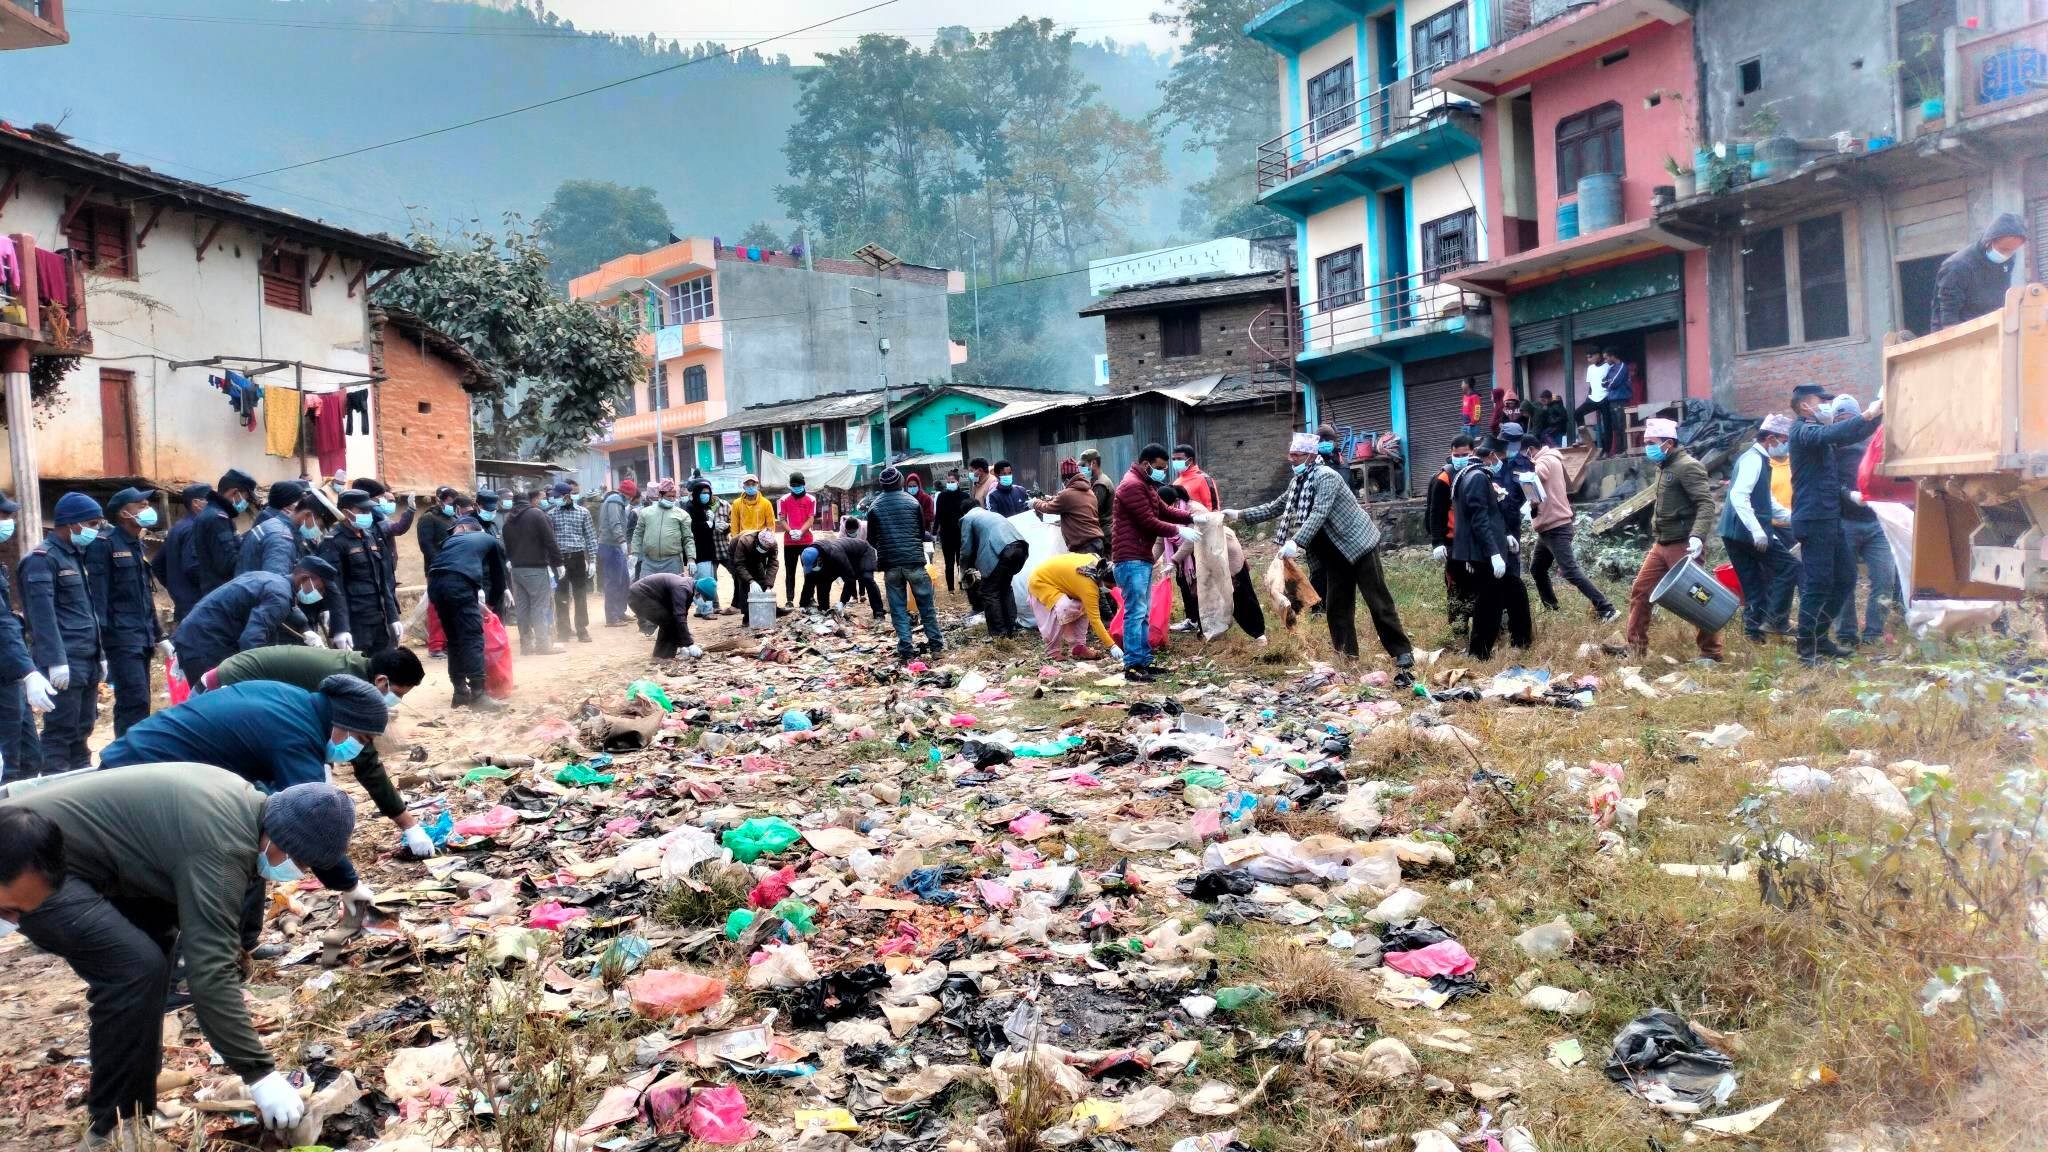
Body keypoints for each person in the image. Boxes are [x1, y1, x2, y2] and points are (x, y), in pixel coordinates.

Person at [0, 770, 366, 1143]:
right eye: (301, 863)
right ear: (283, 841)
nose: (298, 873)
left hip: (83, 858)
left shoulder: (245, 807)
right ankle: (112, 1128)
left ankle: (133, 1110)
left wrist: (349, 884)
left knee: (154, 950)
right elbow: (210, 971)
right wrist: (259, 1074)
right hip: (23, 862)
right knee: (134, 968)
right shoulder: (222, 848)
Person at [99, 672, 427, 855]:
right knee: (230, 846)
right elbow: (311, 821)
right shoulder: (295, 734)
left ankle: (239, 943)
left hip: (144, 758)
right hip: (139, 777)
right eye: (363, 740)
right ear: (343, 722)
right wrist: (349, 886)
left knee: (250, 819)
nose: (359, 749)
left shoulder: (293, 699)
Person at [1237, 431, 1412, 662]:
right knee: (1337, 606)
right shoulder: (1299, 481)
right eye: (1290, 454)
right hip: (1333, 553)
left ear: (1310, 455)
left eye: (1296, 454)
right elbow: (1275, 507)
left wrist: (1296, 541)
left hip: (1358, 545)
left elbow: (1320, 512)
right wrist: (1238, 514)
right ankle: (1346, 655)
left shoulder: (1325, 476)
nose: (1291, 459)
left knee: (1378, 601)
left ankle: (1402, 652)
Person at [1788, 383, 1884, 664]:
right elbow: (1835, 431)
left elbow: (1851, 434)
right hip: (1814, 518)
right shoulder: (1803, 431)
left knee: (1845, 578)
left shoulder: (1821, 435)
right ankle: (1807, 651)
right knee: (1817, 585)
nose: (1827, 405)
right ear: (1806, 406)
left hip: (1830, 519)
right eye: (1823, 400)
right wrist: (1866, 414)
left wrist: (1876, 416)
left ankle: (1819, 638)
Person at [1624, 418, 1722, 662]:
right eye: (1645, 442)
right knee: (1641, 592)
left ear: (1668, 443)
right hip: (1661, 543)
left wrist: (1698, 535)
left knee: (1698, 596)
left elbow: (1705, 503)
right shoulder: (1664, 466)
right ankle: (1636, 651)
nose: (1647, 447)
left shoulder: (1687, 466)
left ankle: (1711, 652)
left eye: (1651, 443)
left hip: (1683, 545)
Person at [19, 493, 105, 773]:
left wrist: (100, 655)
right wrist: (56, 660)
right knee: (61, 733)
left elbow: (87, 611)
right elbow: (42, 617)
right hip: (65, 661)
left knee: (83, 729)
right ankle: (56, 790)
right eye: (92, 523)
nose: (96, 530)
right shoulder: (42, 560)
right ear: (72, 524)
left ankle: (80, 783)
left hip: (86, 659)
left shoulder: (75, 557)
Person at [86, 488, 170, 739]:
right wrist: (98, 647)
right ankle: (129, 756)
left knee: (140, 702)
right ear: (124, 513)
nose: (147, 510)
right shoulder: (104, 545)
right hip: (120, 639)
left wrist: (160, 635)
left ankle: (133, 752)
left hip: (141, 637)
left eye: (147, 504)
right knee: (134, 701)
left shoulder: (135, 544)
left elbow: (144, 598)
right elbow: (98, 599)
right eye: (141, 506)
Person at [1111, 444, 1199, 682]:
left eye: (1164, 468)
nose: (1162, 472)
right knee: (1135, 612)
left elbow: (1165, 511)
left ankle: (1144, 662)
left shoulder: (1147, 485)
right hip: (1130, 558)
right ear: (1145, 464)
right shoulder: (1131, 486)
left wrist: (1193, 517)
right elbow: (1149, 522)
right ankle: (1132, 666)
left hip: (1141, 556)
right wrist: (1180, 529)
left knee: (1144, 612)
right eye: (1159, 468)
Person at [173, 558, 334, 685]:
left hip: (198, 636)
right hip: (206, 644)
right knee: (217, 705)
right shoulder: (280, 595)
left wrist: (305, 628)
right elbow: (251, 641)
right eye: (319, 589)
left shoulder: (273, 580)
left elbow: (287, 608)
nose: (319, 595)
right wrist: (261, 678)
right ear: (305, 578)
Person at [1444, 436, 1530, 659]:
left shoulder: (1469, 475)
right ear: (1491, 456)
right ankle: (1480, 652)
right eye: (1499, 458)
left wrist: (1505, 535)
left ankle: (1520, 640)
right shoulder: (1477, 478)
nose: (1500, 462)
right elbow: (1479, 518)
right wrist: (1493, 553)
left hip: (1485, 546)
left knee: (1512, 589)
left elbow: (1488, 516)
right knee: (1490, 601)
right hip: (1484, 551)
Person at [1719, 414, 1800, 644]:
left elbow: (1767, 500)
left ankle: (1754, 636)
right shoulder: (1754, 460)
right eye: (1784, 439)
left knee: (1753, 584)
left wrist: (1792, 518)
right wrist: (1757, 531)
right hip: (1746, 533)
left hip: (1731, 533)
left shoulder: (1756, 459)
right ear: (1771, 438)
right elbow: (1738, 496)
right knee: (1789, 567)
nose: (1785, 445)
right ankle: (1777, 620)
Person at [1827, 394, 1898, 648]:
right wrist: (1848, 494)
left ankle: (1873, 634)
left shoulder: (1872, 445)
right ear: (1835, 421)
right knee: (1845, 580)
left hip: (1875, 522)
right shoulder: (1830, 449)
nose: (1846, 422)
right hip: (1845, 523)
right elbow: (1827, 485)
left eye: (1850, 417)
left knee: (1885, 577)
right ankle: (1846, 634)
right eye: (1841, 418)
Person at [1529, 427, 1617, 621]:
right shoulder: (1554, 458)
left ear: (1530, 450)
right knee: (1537, 568)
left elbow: (1537, 476)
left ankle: (1606, 608)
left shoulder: (1542, 461)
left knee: (1570, 570)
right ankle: (1552, 609)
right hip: (1548, 526)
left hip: (1554, 526)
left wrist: (1526, 476)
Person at [426, 516, 508, 711]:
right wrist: (493, 604)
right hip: (458, 584)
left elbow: (450, 569)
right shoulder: (490, 540)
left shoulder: (450, 542)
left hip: (435, 585)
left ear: (462, 528)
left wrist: (475, 601)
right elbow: (499, 577)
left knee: (454, 639)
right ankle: (479, 695)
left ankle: (460, 692)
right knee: (472, 638)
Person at [867, 467, 944, 662]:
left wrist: (887, 547)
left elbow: (871, 539)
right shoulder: (913, 502)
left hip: (891, 565)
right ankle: (936, 647)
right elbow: (920, 533)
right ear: (900, 482)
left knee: (898, 609)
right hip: (914, 563)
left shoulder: (874, 506)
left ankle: (907, 650)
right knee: (926, 606)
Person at [318, 490, 400, 656]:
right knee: (358, 673)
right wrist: (340, 627)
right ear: (346, 512)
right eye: (362, 511)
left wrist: (393, 616)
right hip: (355, 623)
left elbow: (384, 581)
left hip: (379, 619)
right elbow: (334, 587)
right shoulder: (334, 542)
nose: (367, 515)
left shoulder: (371, 537)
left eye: (369, 511)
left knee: (384, 671)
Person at [0, 492, 44, 783]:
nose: (8, 522)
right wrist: (28, 671)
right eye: (3, 517)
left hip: (10, 671)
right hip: (6, 674)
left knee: (30, 758)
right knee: (10, 763)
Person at [1931, 212, 2028, 332]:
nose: (2006, 255)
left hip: (1990, 330)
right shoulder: (1958, 266)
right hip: (1960, 334)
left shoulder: (2007, 260)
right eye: (2004, 249)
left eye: (2012, 251)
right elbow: (1948, 318)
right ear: (1990, 241)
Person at [1424, 436, 1477, 640]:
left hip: (1474, 542)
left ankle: (1481, 630)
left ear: (1473, 452)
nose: (1461, 458)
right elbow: (1435, 513)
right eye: (1457, 455)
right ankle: (1459, 633)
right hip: (1452, 541)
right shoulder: (1445, 478)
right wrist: (1437, 542)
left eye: (1465, 455)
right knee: (1456, 587)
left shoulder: (1477, 473)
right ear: (1451, 453)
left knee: (1477, 587)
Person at [500, 488, 562, 655]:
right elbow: (550, 540)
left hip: (517, 570)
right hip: (536, 568)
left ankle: (526, 646)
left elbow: (506, 544)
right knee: (539, 607)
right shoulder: (536, 514)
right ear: (528, 500)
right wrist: (558, 562)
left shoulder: (508, 519)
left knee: (523, 608)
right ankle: (543, 645)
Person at [1026, 553, 1120, 661]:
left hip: (1058, 579)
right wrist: (1112, 646)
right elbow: (1095, 620)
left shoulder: (1098, 564)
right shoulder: (1088, 586)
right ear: (1104, 580)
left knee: (1082, 607)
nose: (1112, 589)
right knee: (1064, 608)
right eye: (1110, 586)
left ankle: (1079, 648)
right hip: (1041, 581)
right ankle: (1053, 652)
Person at [958, 505, 1028, 639]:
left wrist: (962, 570)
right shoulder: (992, 515)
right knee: (1005, 588)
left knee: (989, 591)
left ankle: (998, 634)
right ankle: (1010, 628)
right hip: (1020, 548)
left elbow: (966, 549)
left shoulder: (967, 518)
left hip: (1001, 551)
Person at [153, 484, 215, 624]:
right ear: (196, 504)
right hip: (198, 605)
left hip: (184, 605)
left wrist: (176, 588)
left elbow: (157, 563)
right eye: (210, 501)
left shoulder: (178, 526)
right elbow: (193, 567)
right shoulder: (195, 528)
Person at [545, 482, 596, 644]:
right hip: (559, 561)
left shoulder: (583, 513)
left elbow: (590, 537)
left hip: (578, 558)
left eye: (557, 496)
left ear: (566, 496)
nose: (554, 498)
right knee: (561, 595)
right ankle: (564, 630)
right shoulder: (551, 515)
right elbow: (549, 540)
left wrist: (593, 560)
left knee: (580, 595)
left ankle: (582, 630)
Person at [194, 468, 255, 602]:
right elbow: (227, 564)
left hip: (214, 592)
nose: (247, 502)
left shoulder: (211, 513)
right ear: (235, 492)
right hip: (222, 594)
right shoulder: (218, 518)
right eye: (247, 497)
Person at [235, 480, 310, 577]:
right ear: (288, 504)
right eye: (300, 502)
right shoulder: (277, 531)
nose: (303, 507)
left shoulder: (272, 519)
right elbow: (276, 578)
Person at [628, 573, 707, 661]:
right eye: (703, 597)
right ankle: (662, 657)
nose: (702, 600)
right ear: (698, 592)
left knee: (671, 621)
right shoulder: (682, 588)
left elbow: (682, 617)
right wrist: (689, 644)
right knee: (669, 622)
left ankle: (662, 656)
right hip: (639, 596)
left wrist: (683, 643)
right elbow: (679, 617)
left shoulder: (688, 588)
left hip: (644, 596)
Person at [800, 537, 884, 616]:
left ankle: (878, 612)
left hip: (863, 553)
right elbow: (809, 581)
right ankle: (824, 608)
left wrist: (842, 602)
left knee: (867, 578)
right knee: (823, 580)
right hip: (844, 558)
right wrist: (803, 605)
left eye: (813, 565)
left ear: (819, 559)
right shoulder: (807, 555)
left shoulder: (836, 555)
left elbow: (850, 578)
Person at [1031, 468, 1106, 555]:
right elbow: (1073, 501)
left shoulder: (1067, 494)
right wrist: (1051, 498)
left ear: (1066, 480)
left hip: (1084, 547)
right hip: (1097, 543)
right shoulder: (1090, 492)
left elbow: (1048, 508)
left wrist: (1035, 503)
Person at [679, 478, 722, 616]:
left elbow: (708, 529)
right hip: (697, 551)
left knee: (699, 580)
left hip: (706, 550)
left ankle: (700, 608)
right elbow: (690, 529)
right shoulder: (689, 508)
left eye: (708, 493)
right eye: (703, 492)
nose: (706, 495)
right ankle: (707, 611)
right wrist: (707, 524)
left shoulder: (705, 508)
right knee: (705, 581)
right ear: (697, 493)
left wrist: (712, 523)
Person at [636, 478, 694, 581]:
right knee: (647, 593)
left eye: (673, 496)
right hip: (649, 563)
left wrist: (691, 559)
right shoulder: (646, 513)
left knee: (672, 594)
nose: (672, 499)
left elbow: (688, 538)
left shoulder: (682, 515)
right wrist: (634, 554)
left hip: (672, 563)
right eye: (669, 496)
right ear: (660, 496)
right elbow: (638, 534)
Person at [596, 478, 635, 626]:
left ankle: (620, 611)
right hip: (610, 546)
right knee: (613, 582)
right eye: (631, 497)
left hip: (615, 546)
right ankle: (611, 618)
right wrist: (622, 540)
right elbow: (615, 523)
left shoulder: (618, 501)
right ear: (628, 495)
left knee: (623, 580)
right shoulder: (614, 501)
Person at [778, 472, 818, 606]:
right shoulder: (784, 500)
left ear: (803, 484)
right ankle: (789, 600)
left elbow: (811, 518)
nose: (796, 487)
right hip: (789, 542)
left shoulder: (811, 499)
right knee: (790, 572)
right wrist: (790, 531)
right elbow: (782, 519)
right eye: (793, 485)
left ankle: (810, 597)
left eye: (798, 485)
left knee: (809, 570)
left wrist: (801, 531)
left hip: (806, 540)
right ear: (790, 485)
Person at [934, 468, 972, 593]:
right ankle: (950, 588)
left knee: (961, 562)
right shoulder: (942, 497)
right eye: (948, 481)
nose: (950, 483)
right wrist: (934, 532)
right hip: (946, 535)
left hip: (961, 534)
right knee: (949, 564)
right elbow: (938, 515)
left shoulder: (965, 496)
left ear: (958, 482)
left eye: (952, 481)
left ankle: (962, 585)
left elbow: (969, 515)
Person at [728, 529, 782, 615]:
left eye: (766, 549)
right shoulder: (745, 541)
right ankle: (747, 615)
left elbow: (773, 564)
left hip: (756, 557)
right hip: (735, 554)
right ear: (757, 542)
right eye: (763, 547)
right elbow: (740, 564)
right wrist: (751, 581)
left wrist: (768, 586)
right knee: (743, 582)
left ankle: (772, 609)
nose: (764, 549)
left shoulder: (772, 544)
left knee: (762, 579)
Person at [729, 476, 776, 561]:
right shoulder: (736, 503)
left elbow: (771, 525)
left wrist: (768, 541)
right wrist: (736, 542)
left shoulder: (766, 503)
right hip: (743, 542)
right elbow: (734, 525)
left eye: (753, 484)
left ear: (757, 485)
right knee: (744, 568)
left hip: (760, 542)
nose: (750, 487)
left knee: (761, 569)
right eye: (748, 484)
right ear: (743, 486)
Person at [416, 486, 461, 573]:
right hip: (438, 567)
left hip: (455, 565)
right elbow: (426, 545)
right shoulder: (428, 517)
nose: (453, 507)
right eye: (450, 504)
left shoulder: (455, 518)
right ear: (440, 501)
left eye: (455, 505)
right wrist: (440, 563)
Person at [1599, 350, 1635, 455]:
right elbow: (1603, 382)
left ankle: (1625, 450)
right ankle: (1619, 451)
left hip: (1621, 400)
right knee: (1616, 428)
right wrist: (1608, 383)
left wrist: (1608, 383)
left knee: (1622, 426)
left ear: (1612, 356)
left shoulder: (1622, 366)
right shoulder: (1611, 368)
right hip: (1613, 400)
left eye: (1606, 358)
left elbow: (1614, 382)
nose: (1605, 361)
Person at [1079, 448, 1114, 540]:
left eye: (1084, 465)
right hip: (1101, 531)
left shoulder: (1100, 484)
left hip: (1104, 534)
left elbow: (1092, 510)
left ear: (1093, 463)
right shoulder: (1094, 481)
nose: (1082, 469)